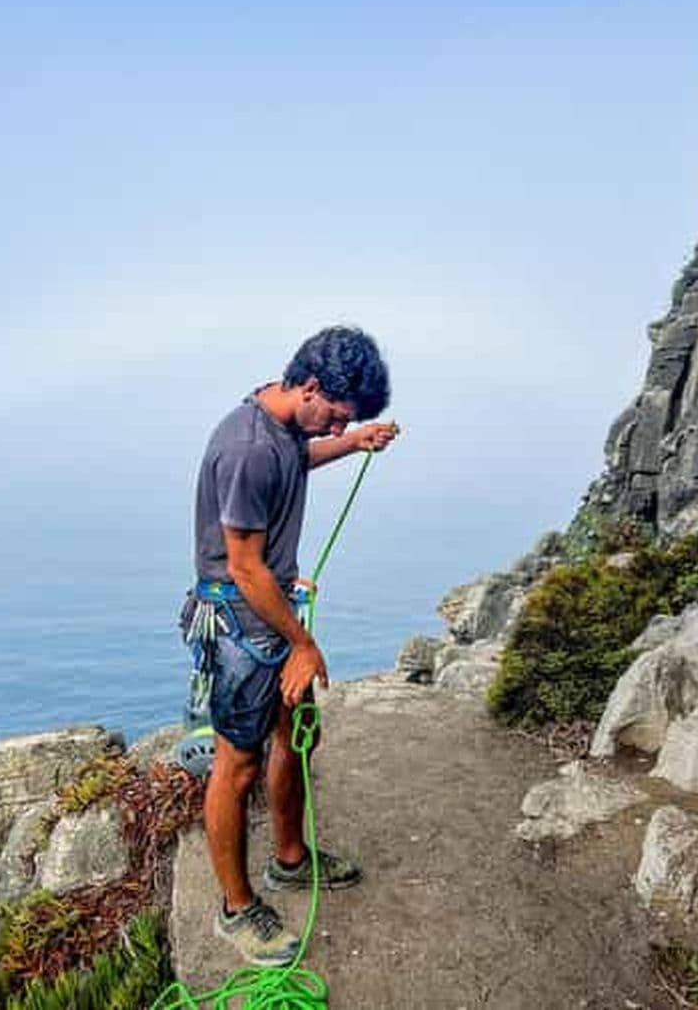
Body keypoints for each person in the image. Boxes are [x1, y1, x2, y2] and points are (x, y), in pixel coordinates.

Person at [186, 325, 396, 966]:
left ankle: (289, 860)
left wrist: (355, 442)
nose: (338, 426)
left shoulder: (282, 429)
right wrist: (303, 643)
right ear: (311, 386)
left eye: (349, 422)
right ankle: (235, 909)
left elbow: (295, 460)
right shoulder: (247, 447)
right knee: (237, 766)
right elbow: (244, 568)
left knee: (295, 736)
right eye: (338, 413)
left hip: (268, 608)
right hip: (242, 626)